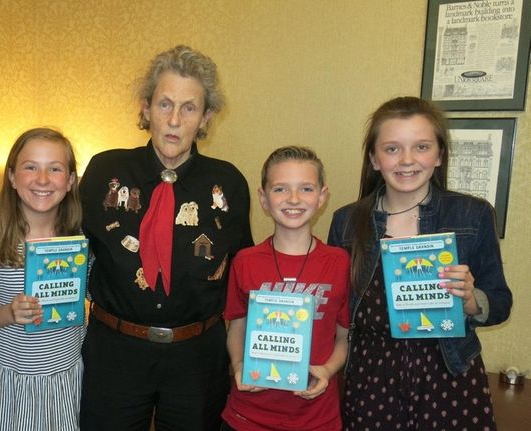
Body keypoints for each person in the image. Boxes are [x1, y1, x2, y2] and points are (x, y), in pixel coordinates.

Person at [79, 45, 253, 430]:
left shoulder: (229, 183)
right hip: (115, 352)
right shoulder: (103, 170)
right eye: (164, 105)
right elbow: (66, 246)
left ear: (205, 117)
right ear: (145, 108)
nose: (175, 119)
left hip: (197, 357)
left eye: (189, 108)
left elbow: (245, 271)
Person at [327, 96, 513, 430]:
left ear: (440, 155)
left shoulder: (472, 214)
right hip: (372, 377)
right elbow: (335, 307)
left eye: (422, 147)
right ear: (373, 158)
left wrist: (470, 299)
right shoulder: (346, 221)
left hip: (450, 371)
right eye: (393, 148)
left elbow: (500, 303)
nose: (408, 160)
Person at [222, 146, 350, 431]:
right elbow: (236, 327)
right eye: (280, 189)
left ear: (322, 197)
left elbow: (344, 337)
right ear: (264, 199)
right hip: (248, 417)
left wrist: (327, 371)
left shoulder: (339, 262)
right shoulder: (245, 261)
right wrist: (239, 364)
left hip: (317, 419)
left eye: (306, 188)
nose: (293, 199)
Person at [0, 127, 83, 431]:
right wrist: (8, 313)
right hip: (9, 381)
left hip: (65, 378)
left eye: (55, 168)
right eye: (30, 167)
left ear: (71, 180)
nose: (43, 179)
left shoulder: (82, 242)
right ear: (12, 176)